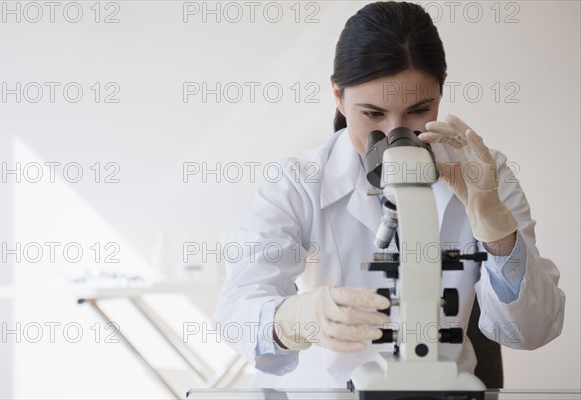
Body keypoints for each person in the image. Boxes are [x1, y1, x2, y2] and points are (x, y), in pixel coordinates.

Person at [213, 1, 565, 388]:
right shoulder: (298, 182)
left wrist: (497, 230)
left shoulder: (484, 173)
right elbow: (235, 314)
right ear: (339, 97)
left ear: (439, 95)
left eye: (418, 111)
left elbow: (534, 329)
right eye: (373, 115)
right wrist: (297, 317)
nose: (398, 135)